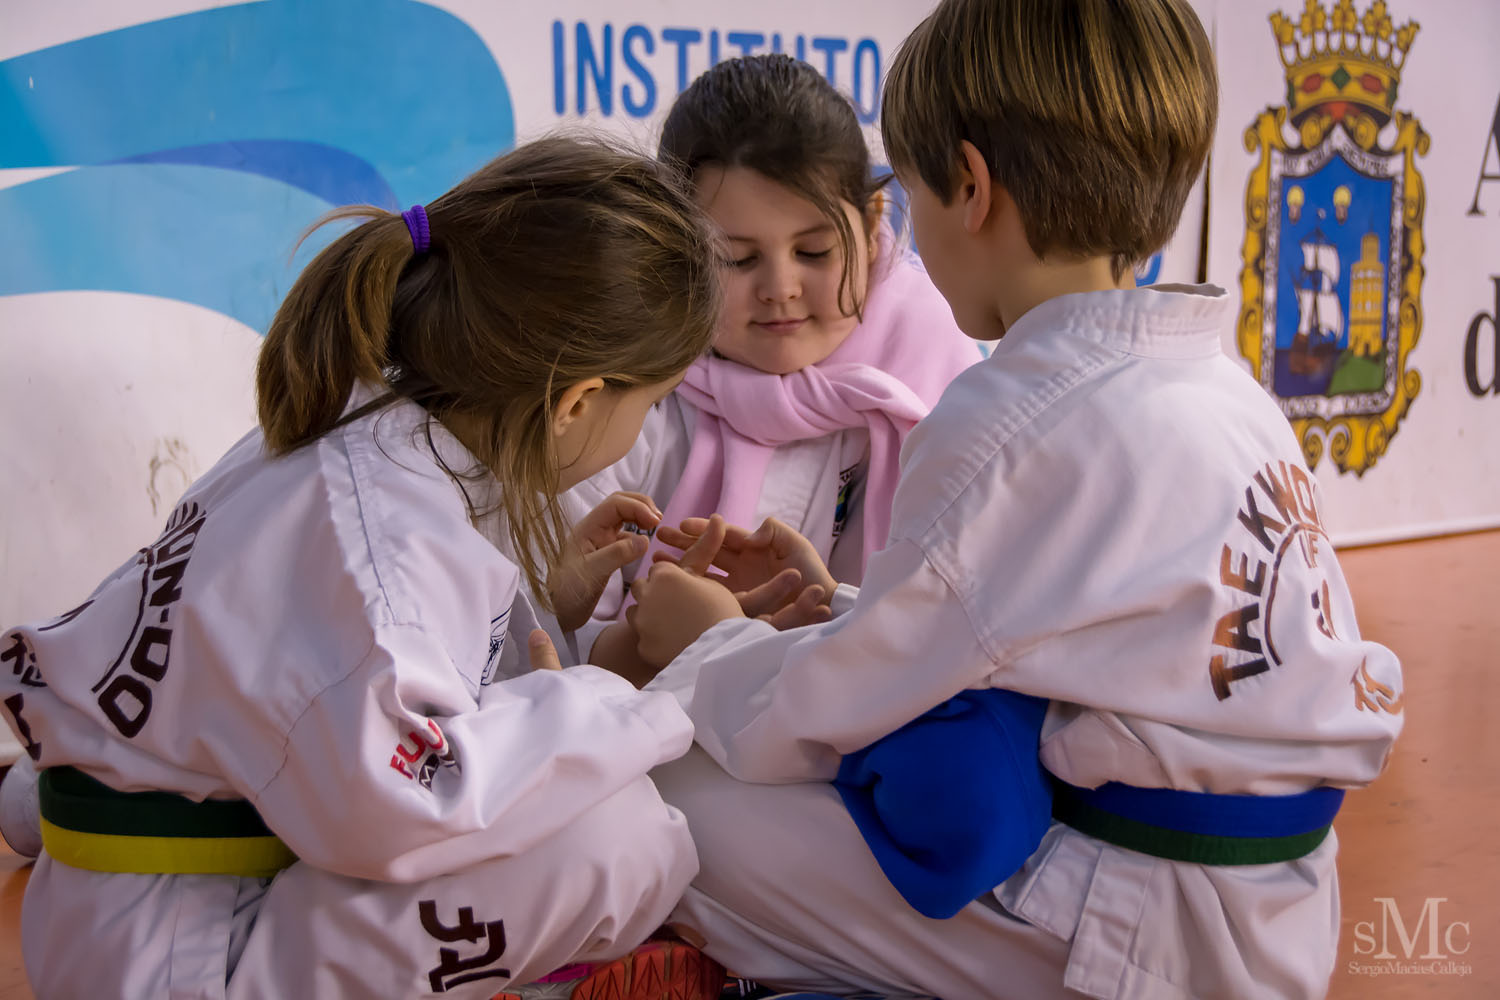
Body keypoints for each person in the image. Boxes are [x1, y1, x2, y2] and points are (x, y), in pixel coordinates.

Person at [625, 2, 1406, 998]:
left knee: (665, 796)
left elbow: (826, 711)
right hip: (1279, 915)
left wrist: (708, 642)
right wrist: (842, 608)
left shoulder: (1012, 413)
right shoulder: (1230, 391)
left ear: (970, 187)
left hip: (1134, 931)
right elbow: (1043, 635)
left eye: (904, 198)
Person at [0, 135, 728, 999]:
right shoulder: (389, 537)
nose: (642, 428)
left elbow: (341, 676)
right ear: (575, 403)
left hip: (126, 895)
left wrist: (552, 600)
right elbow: (404, 811)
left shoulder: (374, 421)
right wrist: (619, 705)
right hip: (181, 958)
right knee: (626, 838)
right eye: (648, 404)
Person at [571, 54, 980, 677]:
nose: (780, 287)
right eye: (736, 259)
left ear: (872, 226)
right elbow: (550, 633)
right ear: (675, 250)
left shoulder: (944, 378)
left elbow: (974, 631)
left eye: (814, 250)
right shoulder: (628, 400)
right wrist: (657, 646)